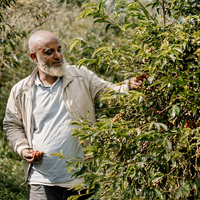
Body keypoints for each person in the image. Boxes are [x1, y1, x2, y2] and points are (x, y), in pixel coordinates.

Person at [3, 30, 147, 200]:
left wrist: (129, 85)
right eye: (49, 52)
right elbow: (12, 124)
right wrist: (23, 148)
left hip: (81, 179)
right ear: (34, 57)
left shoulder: (80, 76)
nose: (58, 56)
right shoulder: (21, 90)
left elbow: (108, 91)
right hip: (41, 179)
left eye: (59, 49)